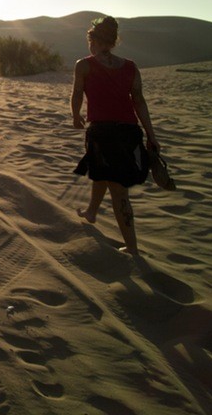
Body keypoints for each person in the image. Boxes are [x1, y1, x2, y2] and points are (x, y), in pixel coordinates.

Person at [71, 16, 160, 256]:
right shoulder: (130, 66)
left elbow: (78, 92)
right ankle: (91, 212)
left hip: (103, 133)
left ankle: (132, 249)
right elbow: (139, 102)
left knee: (118, 189)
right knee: (102, 172)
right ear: (113, 41)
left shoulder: (84, 64)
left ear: (92, 40)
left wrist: (75, 115)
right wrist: (151, 134)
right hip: (129, 133)